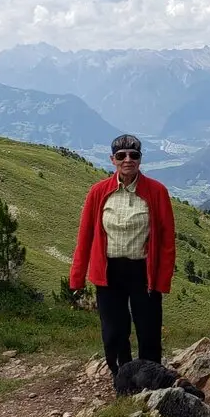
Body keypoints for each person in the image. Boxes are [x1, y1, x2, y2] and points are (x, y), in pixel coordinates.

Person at [70, 134, 176, 380]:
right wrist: (76, 278)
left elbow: (167, 238)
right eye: (121, 156)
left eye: (134, 155)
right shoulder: (98, 192)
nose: (128, 160)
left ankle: (150, 379)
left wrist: (162, 280)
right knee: (114, 331)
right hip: (108, 272)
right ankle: (122, 377)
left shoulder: (157, 191)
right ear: (112, 160)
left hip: (143, 271)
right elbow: (85, 237)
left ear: (140, 159)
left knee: (148, 330)